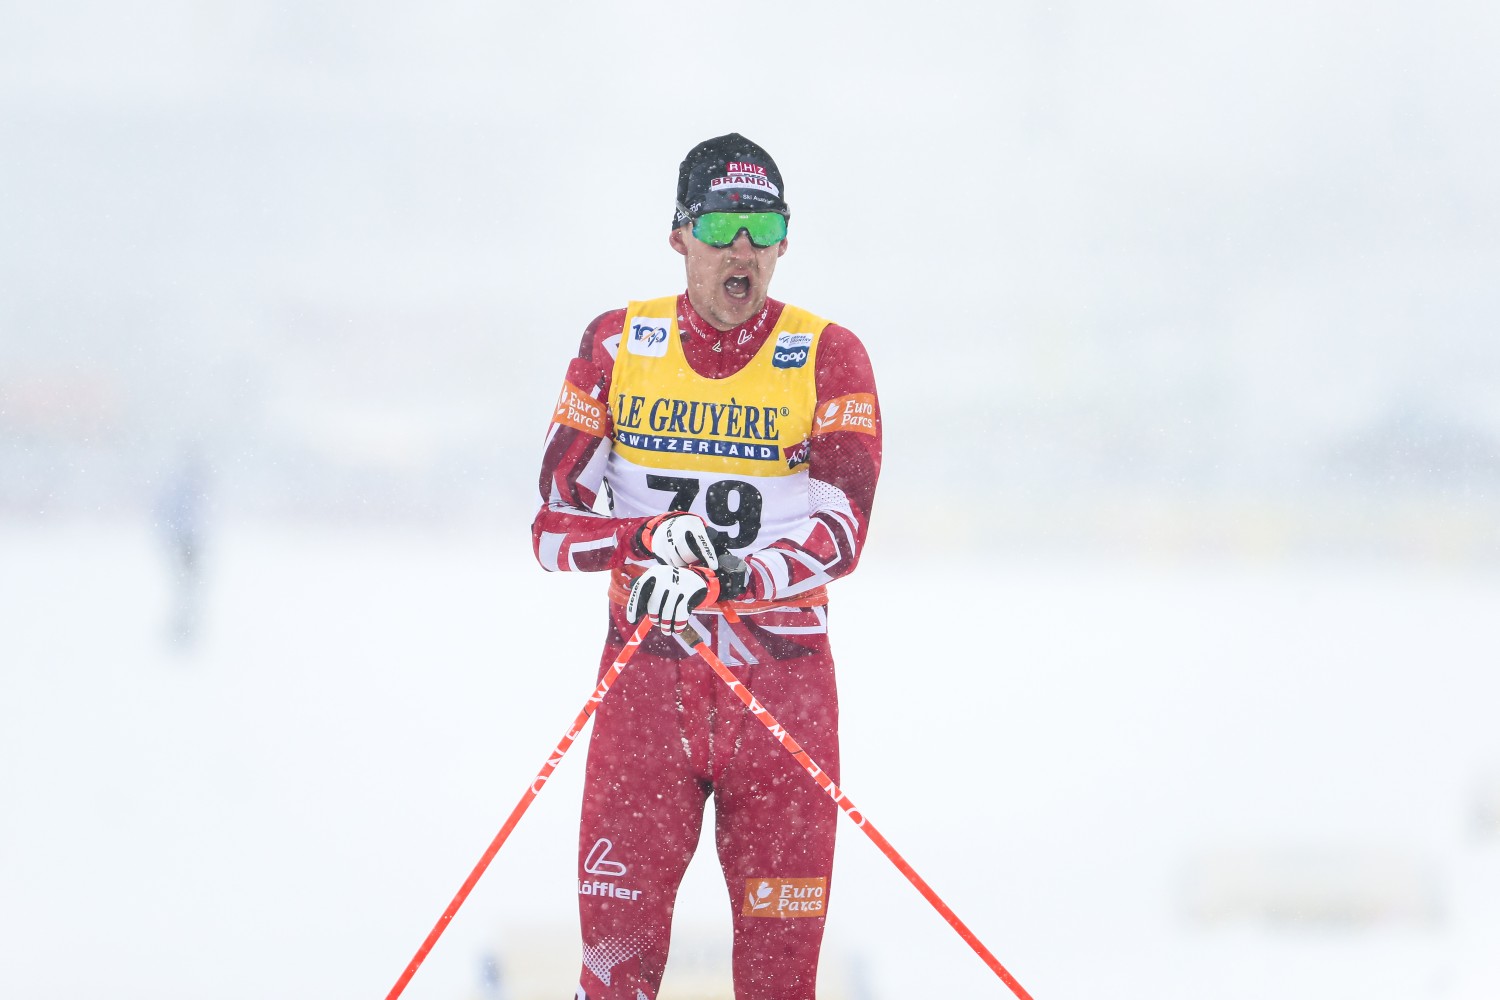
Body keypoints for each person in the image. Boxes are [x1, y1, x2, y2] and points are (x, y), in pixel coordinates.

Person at [532, 133, 882, 1000]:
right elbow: (552, 528)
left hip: (780, 701)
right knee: (613, 977)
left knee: (779, 985)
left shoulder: (829, 354)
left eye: (766, 228)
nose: (744, 250)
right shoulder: (618, 344)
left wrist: (731, 576)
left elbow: (842, 531)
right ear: (681, 235)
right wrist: (647, 540)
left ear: (784, 242)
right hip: (647, 697)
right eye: (723, 225)